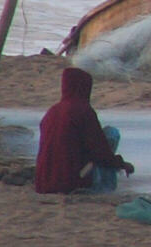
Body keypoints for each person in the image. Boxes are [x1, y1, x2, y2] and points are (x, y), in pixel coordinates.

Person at [34, 66, 134, 195]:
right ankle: (107, 188)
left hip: (43, 183)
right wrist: (121, 164)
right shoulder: (83, 110)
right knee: (111, 133)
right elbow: (100, 152)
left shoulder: (52, 111)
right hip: (70, 183)